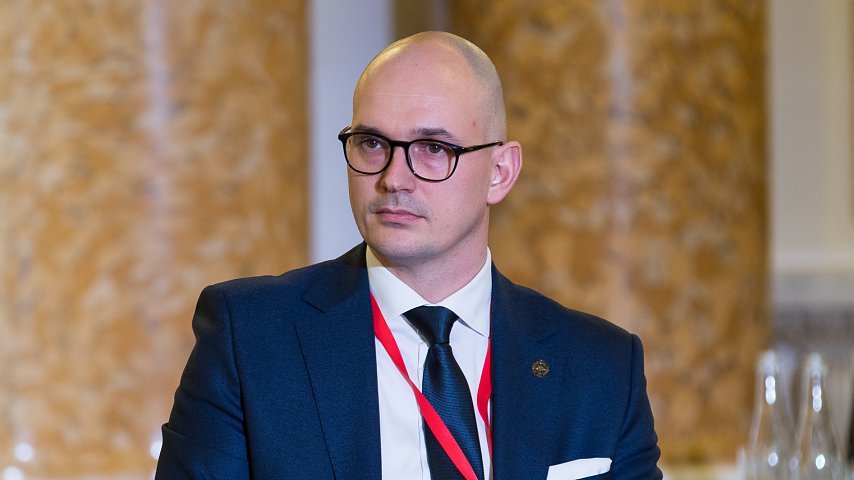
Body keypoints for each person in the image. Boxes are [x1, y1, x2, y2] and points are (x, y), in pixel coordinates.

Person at [155, 31, 662, 479]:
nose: (393, 178)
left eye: (433, 148)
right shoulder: (250, 338)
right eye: (372, 143)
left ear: (500, 172)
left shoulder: (601, 367)